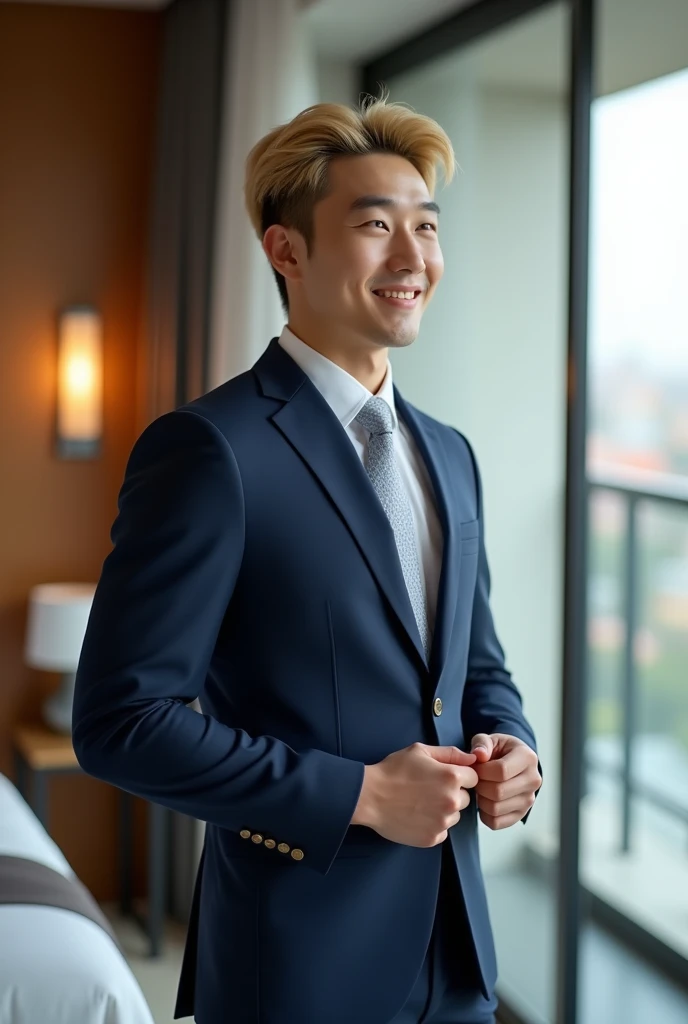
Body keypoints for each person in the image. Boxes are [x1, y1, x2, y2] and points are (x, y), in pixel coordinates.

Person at [72, 95, 542, 1024]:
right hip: (295, 967)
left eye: (427, 229)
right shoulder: (212, 449)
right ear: (286, 250)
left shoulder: (451, 453)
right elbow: (121, 719)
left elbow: (475, 666)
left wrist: (512, 747)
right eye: (375, 226)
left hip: (459, 962)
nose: (413, 259)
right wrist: (360, 795)